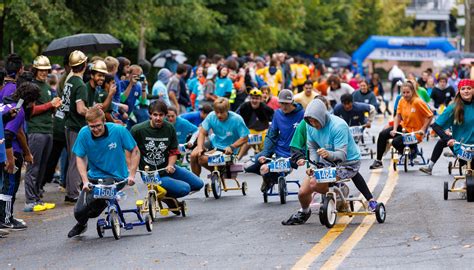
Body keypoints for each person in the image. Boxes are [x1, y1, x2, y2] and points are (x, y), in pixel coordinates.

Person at [282, 99, 378, 225]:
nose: (313, 124)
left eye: (315, 120)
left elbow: (341, 155)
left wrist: (328, 154)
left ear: (322, 116)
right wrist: (312, 166)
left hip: (347, 162)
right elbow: (312, 148)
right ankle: (305, 211)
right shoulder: (309, 126)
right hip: (327, 160)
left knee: (315, 183)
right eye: (310, 121)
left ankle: (338, 193)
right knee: (303, 192)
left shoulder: (338, 126)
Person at [67, 107, 139, 238]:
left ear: (104, 121)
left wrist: (132, 175)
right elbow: (80, 157)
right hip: (94, 177)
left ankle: (101, 205)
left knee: (96, 203)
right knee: (79, 212)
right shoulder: (84, 133)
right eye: (92, 126)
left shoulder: (118, 130)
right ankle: (82, 224)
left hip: (116, 177)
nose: (95, 129)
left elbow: (134, 150)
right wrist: (85, 181)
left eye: (98, 125)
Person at [131, 101, 203, 200]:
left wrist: (170, 165)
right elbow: (131, 150)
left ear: (165, 115)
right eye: (155, 115)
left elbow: (173, 151)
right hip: (151, 174)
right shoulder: (137, 130)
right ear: (150, 114)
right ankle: (165, 197)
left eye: (161, 115)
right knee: (185, 188)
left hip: (167, 168)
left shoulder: (169, 128)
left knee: (198, 184)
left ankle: (164, 194)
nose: (158, 118)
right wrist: (131, 172)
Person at [244, 89, 304, 192]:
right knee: (248, 166)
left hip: (294, 153)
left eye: (287, 104)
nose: (284, 106)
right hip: (278, 151)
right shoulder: (277, 114)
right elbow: (271, 135)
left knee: (268, 168)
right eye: (281, 103)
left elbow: (308, 136)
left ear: (292, 102)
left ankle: (271, 176)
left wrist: (302, 153)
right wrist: (266, 152)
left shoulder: (302, 114)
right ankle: (269, 179)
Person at [0, 82, 42, 229]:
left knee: (7, 185)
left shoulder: (8, 104)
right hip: (9, 151)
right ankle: (4, 219)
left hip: (6, 149)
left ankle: (8, 216)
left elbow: (18, 131)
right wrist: (10, 160)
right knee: (9, 185)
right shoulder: (19, 110)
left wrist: (27, 152)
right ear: (31, 100)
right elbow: (9, 134)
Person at [24, 55, 62, 207]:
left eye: (46, 70)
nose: (44, 73)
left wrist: (54, 106)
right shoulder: (31, 87)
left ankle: (37, 196)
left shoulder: (46, 87)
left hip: (48, 130)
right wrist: (49, 105)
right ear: (35, 70)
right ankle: (30, 200)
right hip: (36, 130)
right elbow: (30, 111)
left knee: (43, 167)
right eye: (41, 70)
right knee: (34, 166)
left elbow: (47, 108)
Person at [370, 81, 434, 169]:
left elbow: (430, 115)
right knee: (383, 134)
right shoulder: (402, 100)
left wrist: (423, 129)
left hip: (416, 132)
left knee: (395, 142)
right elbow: (398, 116)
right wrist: (395, 129)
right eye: (403, 92)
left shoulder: (417, 102)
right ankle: (378, 161)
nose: (406, 94)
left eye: (408, 92)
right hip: (404, 128)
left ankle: (412, 150)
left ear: (412, 92)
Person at [420, 79, 474, 175]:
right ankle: (430, 166)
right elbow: (436, 125)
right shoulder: (454, 107)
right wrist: (448, 139)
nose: (466, 91)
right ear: (459, 91)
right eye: (463, 89)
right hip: (461, 147)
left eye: (469, 88)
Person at [190, 98, 249, 176]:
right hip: (213, 142)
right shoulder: (211, 116)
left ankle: (218, 172)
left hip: (228, 148)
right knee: (194, 154)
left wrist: (232, 146)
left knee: (202, 159)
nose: (219, 115)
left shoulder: (237, 119)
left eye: (221, 112)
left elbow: (245, 137)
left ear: (227, 110)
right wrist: (200, 147)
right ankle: (196, 181)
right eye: (216, 112)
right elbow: (202, 132)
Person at [62, 50, 89, 203]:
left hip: (68, 124)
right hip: (76, 126)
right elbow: (80, 109)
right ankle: (73, 193)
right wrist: (91, 112)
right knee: (77, 160)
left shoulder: (70, 80)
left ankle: (71, 190)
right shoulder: (80, 84)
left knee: (73, 158)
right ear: (84, 65)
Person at [235, 89, 274, 160]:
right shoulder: (244, 107)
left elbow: (274, 119)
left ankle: (265, 157)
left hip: (263, 131)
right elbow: (235, 117)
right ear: (250, 98)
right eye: (253, 98)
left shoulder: (266, 108)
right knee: (246, 140)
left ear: (261, 99)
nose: (254, 101)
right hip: (250, 130)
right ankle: (238, 158)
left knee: (267, 144)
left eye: (257, 99)